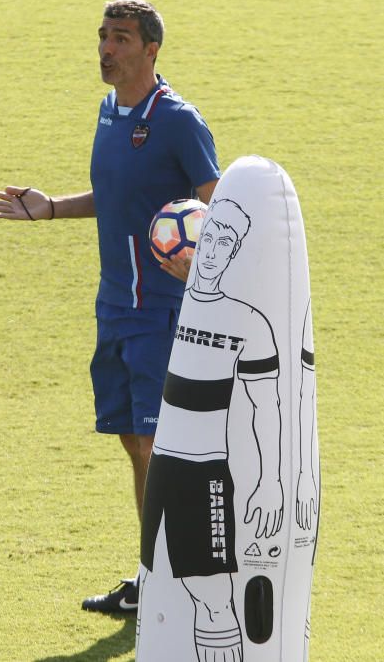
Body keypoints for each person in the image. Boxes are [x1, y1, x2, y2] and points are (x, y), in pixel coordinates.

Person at [0, 0, 220, 614]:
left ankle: (173, 579)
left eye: (120, 38)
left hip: (159, 309)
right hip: (114, 305)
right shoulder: (110, 111)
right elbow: (117, 193)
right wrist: (53, 206)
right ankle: (157, 575)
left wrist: (202, 263)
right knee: (133, 442)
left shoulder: (178, 120)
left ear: (150, 49)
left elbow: (221, 207)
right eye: (102, 37)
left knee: (155, 443)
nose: (106, 49)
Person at [139, 199, 283, 660]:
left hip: (203, 474)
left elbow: (267, 406)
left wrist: (272, 483)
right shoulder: (176, 308)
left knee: (214, 600)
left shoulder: (250, 321)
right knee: (157, 586)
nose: (214, 250)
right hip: (163, 465)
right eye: (211, 236)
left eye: (226, 242)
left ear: (236, 249)